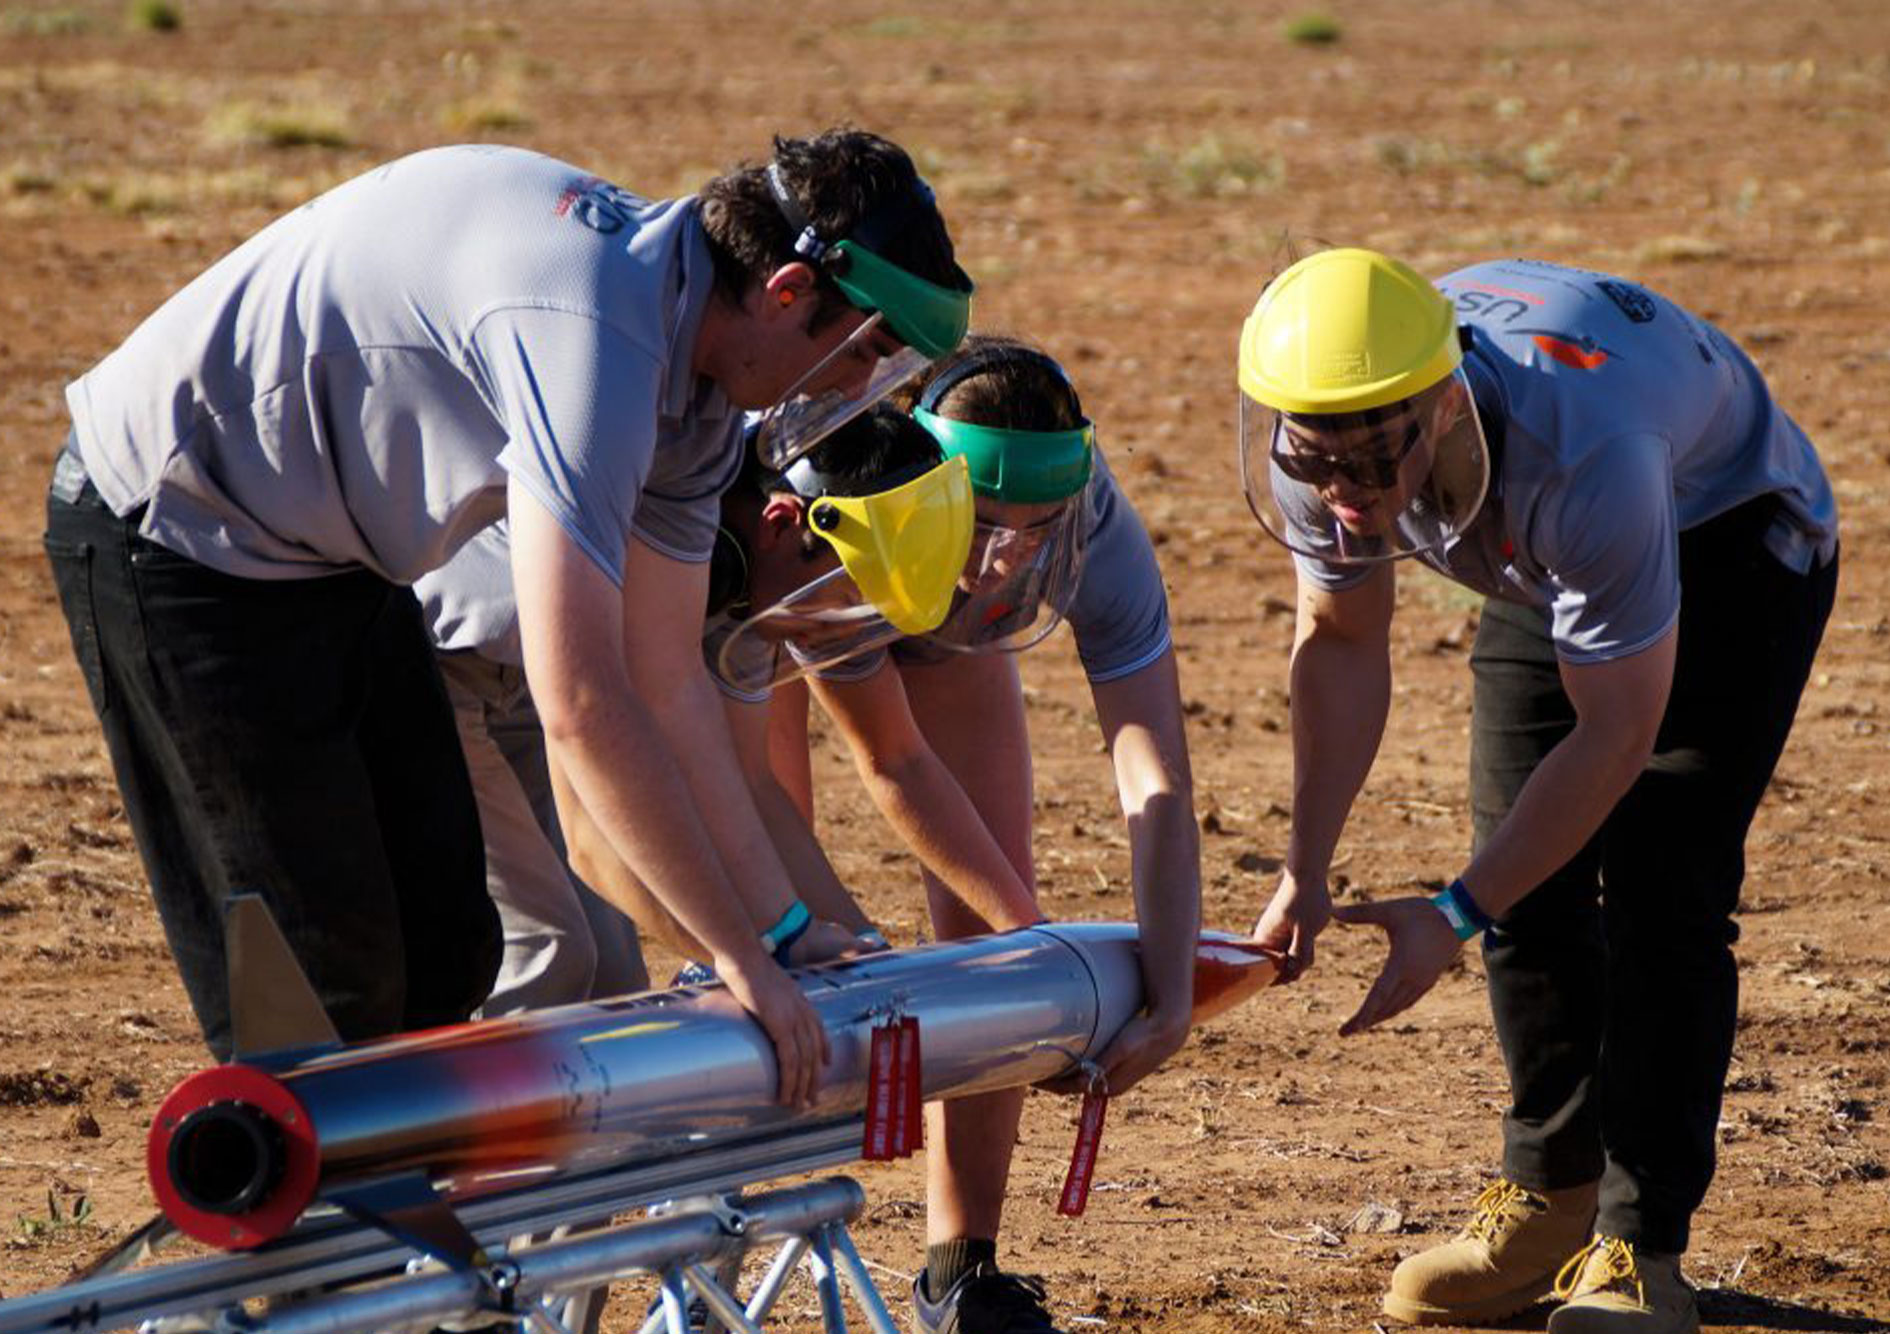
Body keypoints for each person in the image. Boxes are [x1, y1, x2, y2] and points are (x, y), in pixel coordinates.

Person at [43, 131, 973, 1113]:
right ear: (787, 289)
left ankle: (404, 1248)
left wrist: (776, 933)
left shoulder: (695, 403)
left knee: (452, 948)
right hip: (175, 528)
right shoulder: (596, 339)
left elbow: (667, 681)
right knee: (323, 996)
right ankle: (313, 1254)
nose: (847, 384)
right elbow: (580, 697)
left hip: (331, 561)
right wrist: (736, 956)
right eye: (860, 347)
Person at [1238, 250, 1838, 1334]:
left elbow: (1618, 733)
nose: (1339, 495)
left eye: (1369, 463)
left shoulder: (1583, 454)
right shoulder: (1325, 434)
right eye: (1314, 461)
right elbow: (1336, 636)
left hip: (1726, 528)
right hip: (1528, 535)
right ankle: (1548, 1201)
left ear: (1437, 406)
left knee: (1662, 887)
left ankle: (1637, 1243)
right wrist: (1303, 866)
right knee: (1525, 870)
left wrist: (1451, 912)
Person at [769, 338, 1202, 1334]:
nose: (1008, 554)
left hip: (945, 632)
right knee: (763, 912)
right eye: (985, 522)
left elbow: (1153, 770)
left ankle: (959, 1268)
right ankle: (705, 1223)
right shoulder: (838, 477)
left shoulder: (1096, 523)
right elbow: (891, 761)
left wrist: (1167, 989)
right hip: (792, 589)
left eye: (1035, 527)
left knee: (986, 926)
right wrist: (1037, 943)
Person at [415, 403, 973, 1003]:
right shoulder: (657, 528)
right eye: (845, 599)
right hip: (435, 668)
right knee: (553, 953)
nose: (838, 630)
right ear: (783, 523)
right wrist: (759, 957)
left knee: (612, 981)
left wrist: (868, 959)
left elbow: (752, 785)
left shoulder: (759, 582)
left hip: (530, 681)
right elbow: (592, 843)